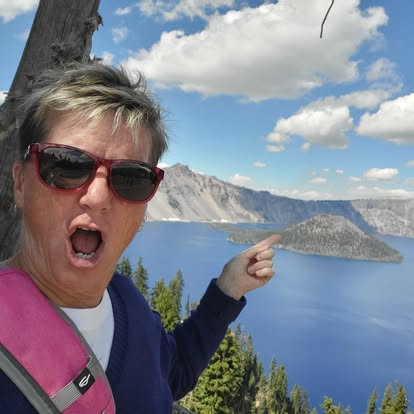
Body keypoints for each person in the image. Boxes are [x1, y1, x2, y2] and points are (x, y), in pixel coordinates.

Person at [0, 62, 279, 413]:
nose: (98, 197)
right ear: (20, 183)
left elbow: (172, 373)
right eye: (66, 166)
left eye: (131, 179)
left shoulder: (124, 301)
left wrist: (229, 287)